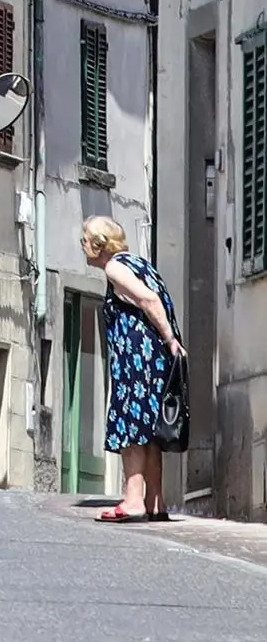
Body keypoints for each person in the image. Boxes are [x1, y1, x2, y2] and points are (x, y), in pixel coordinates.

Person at [80, 215, 187, 523]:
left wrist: (170, 339)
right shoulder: (140, 264)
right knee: (151, 430)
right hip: (153, 356)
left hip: (137, 357)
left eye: (85, 241)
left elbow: (148, 300)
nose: (83, 246)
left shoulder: (115, 267)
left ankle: (132, 500)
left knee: (132, 425)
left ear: (99, 245)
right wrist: (170, 342)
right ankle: (155, 501)